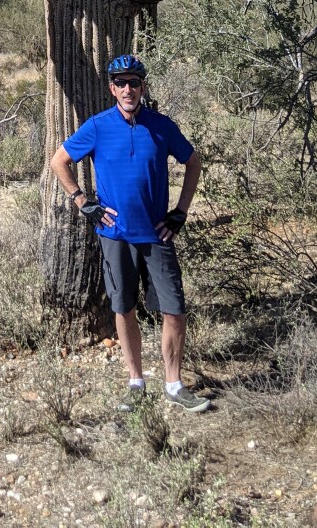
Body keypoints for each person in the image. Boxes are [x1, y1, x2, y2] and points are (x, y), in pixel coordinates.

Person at [49, 54, 209, 413]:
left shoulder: (161, 126)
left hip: (157, 234)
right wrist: (81, 201)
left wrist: (180, 212)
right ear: (112, 88)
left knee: (174, 309)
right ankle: (136, 382)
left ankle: (174, 384)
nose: (127, 89)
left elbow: (193, 162)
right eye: (120, 83)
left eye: (134, 83)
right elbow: (59, 161)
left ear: (142, 86)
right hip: (115, 235)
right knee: (124, 308)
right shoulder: (97, 126)